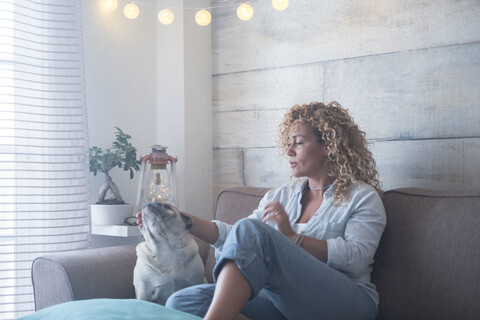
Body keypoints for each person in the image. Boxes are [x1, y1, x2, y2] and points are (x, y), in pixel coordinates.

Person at [137, 101, 386, 320]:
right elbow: (237, 237)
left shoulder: (362, 197)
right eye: (288, 143)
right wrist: (181, 219)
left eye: (298, 143)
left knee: (252, 230)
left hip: (345, 302)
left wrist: (292, 238)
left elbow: (358, 257)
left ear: (327, 146)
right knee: (181, 302)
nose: (288, 151)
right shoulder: (280, 195)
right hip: (282, 303)